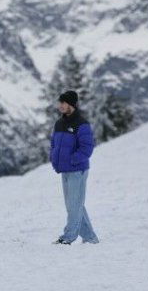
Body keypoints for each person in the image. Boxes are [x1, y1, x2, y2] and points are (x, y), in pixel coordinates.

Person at [50, 90, 99, 245]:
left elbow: (87, 148)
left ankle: (68, 237)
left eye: (63, 102)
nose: (60, 105)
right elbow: (54, 144)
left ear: (71, 104)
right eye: (59, 102)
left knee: (74, 205)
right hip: (64, 170)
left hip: (77, 170)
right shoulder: (59, 124)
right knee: (75, 205)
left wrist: (72, 160)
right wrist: (54, 159)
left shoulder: (81, 124)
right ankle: (90, 238)